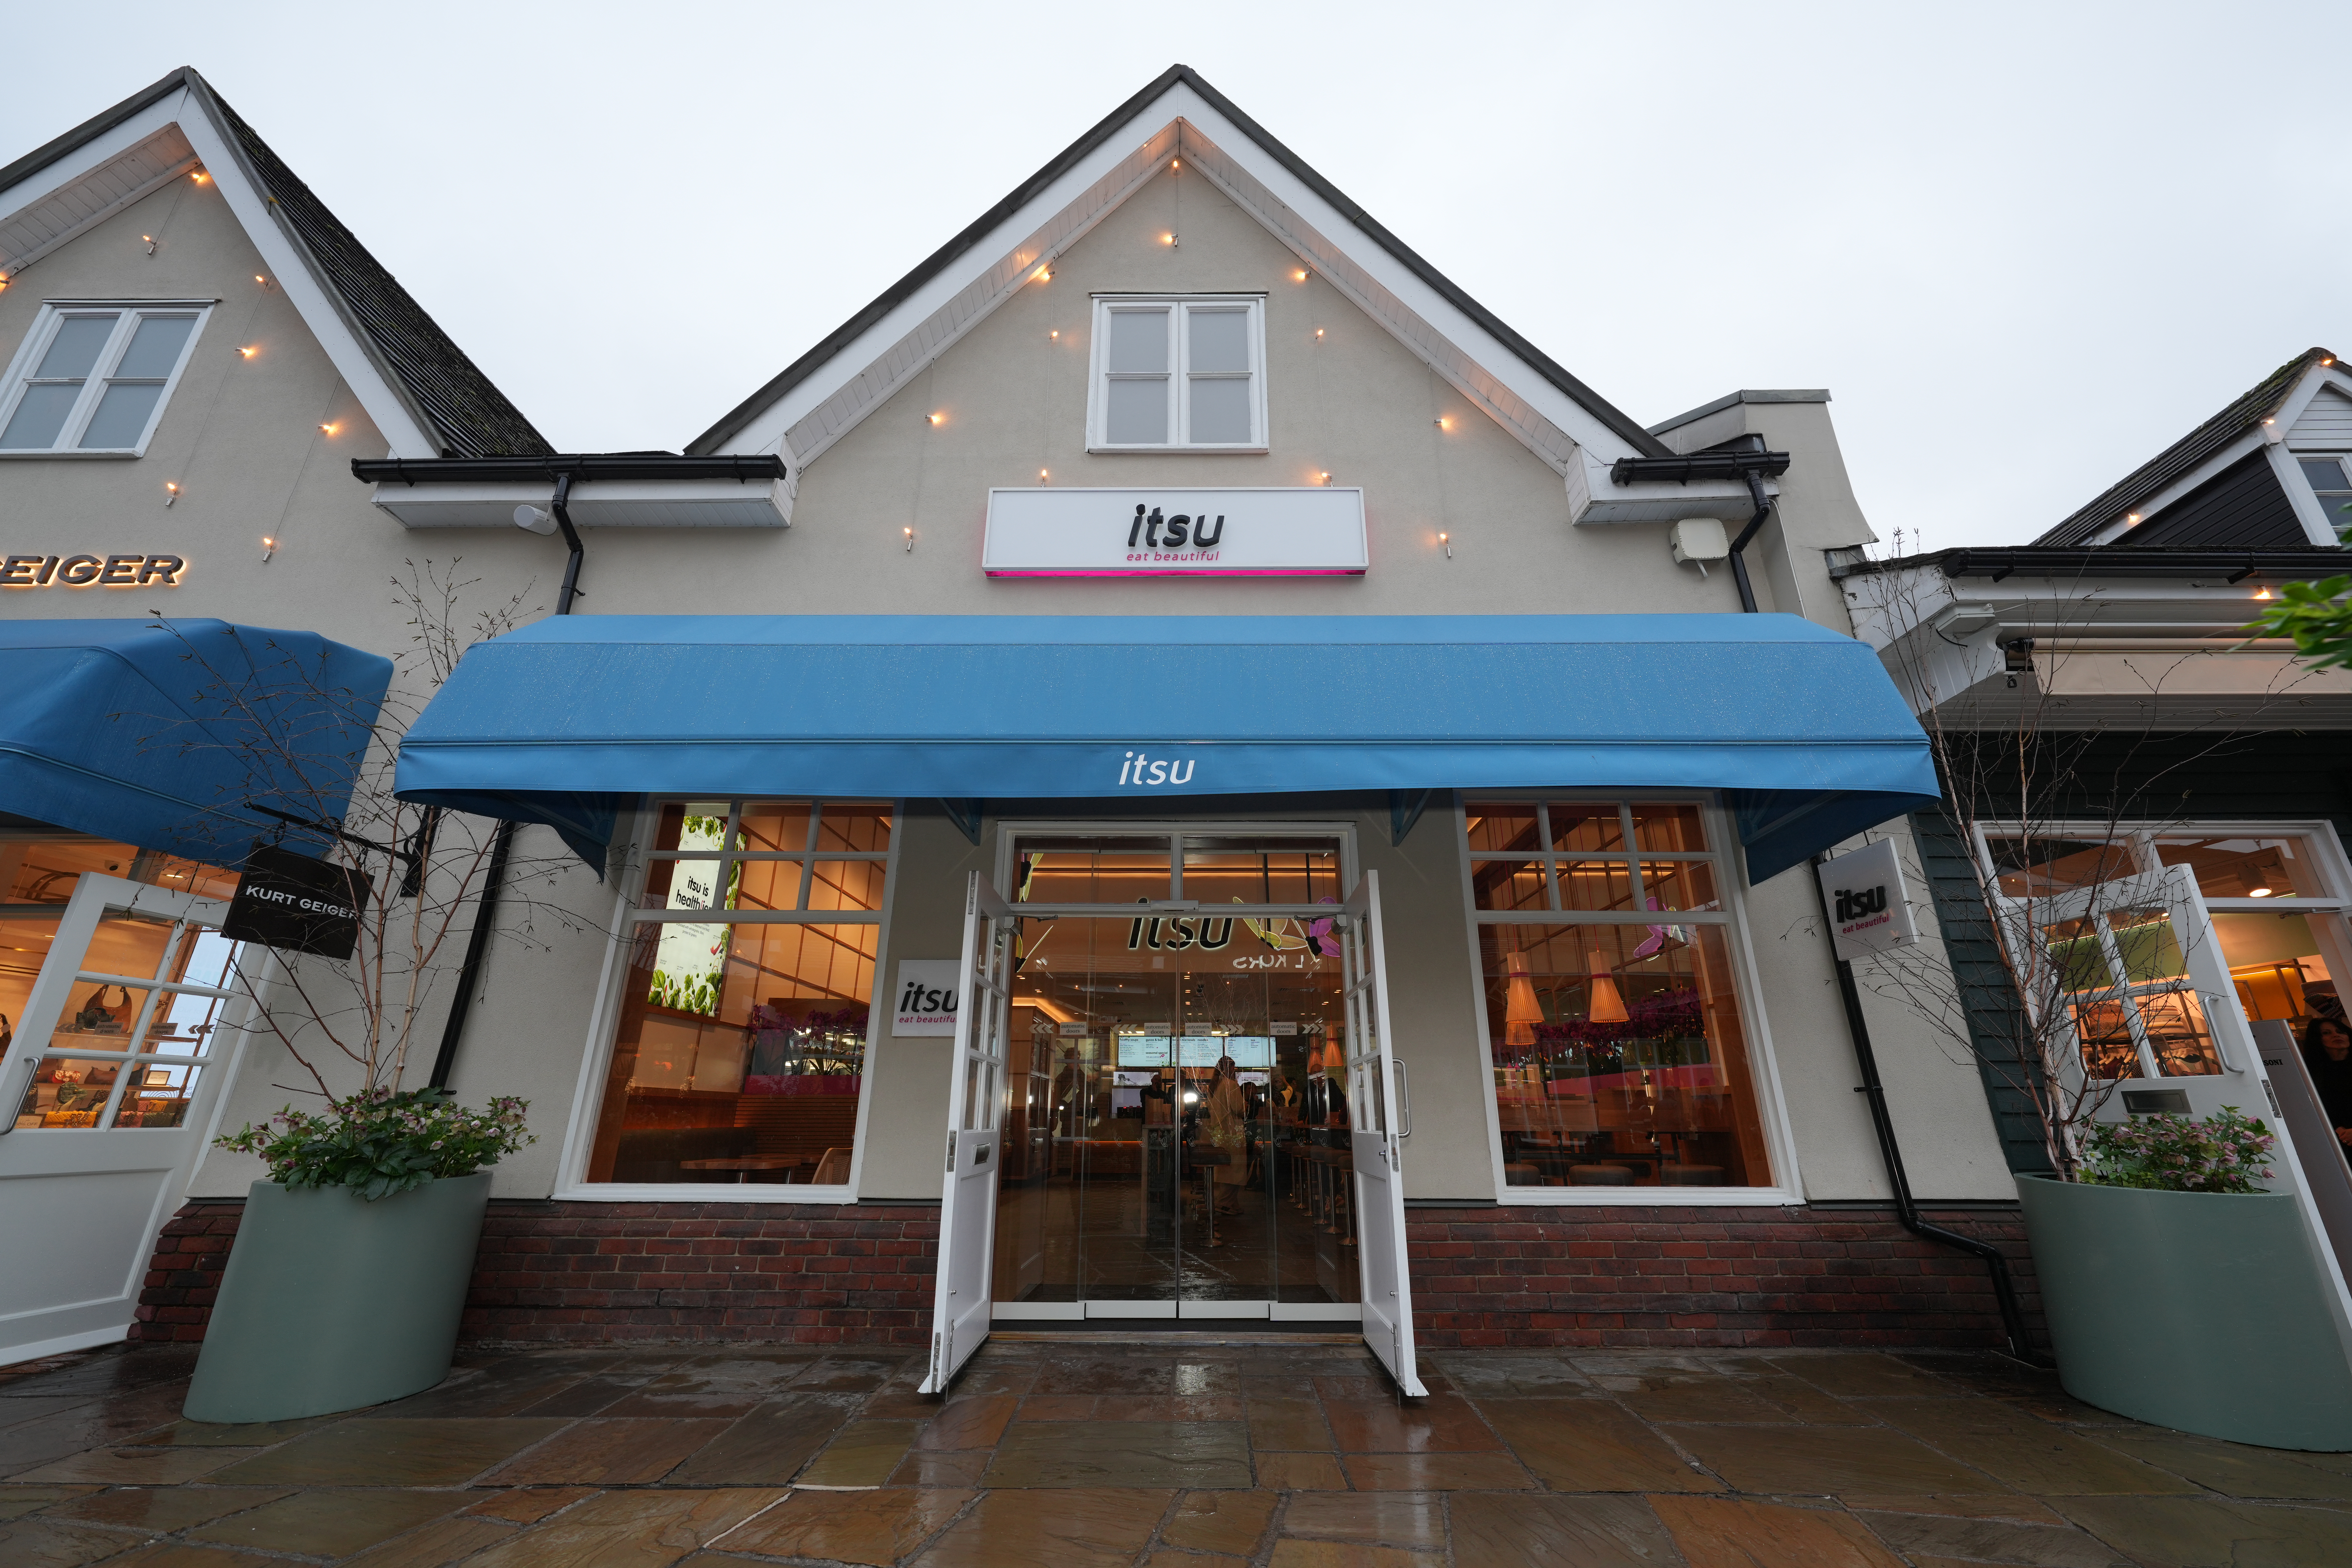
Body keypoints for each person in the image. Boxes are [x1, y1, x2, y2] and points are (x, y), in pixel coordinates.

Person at [1204, 1055, 1250, 1216]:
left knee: (1226, 1168)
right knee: (1235, 1168)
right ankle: (1224, 1203)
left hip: (1219, 1132)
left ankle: (1233, 1202)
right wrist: (1246, 1105)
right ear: (1227, 1070)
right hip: (1232, 1131)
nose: (1235, 1071)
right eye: (1233, 1068)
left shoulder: (1213, 1087)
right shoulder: (1231, 1085)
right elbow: (1239, 1109)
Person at [2302, 1015, 2352, 1149]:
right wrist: (2338, 1130)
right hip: (2337, 1137)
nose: (2336, 1036)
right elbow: (2314, 1106)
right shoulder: (2312, 1071)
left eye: (2340, 1031)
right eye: (2327, 1033)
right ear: (2318, 1040)